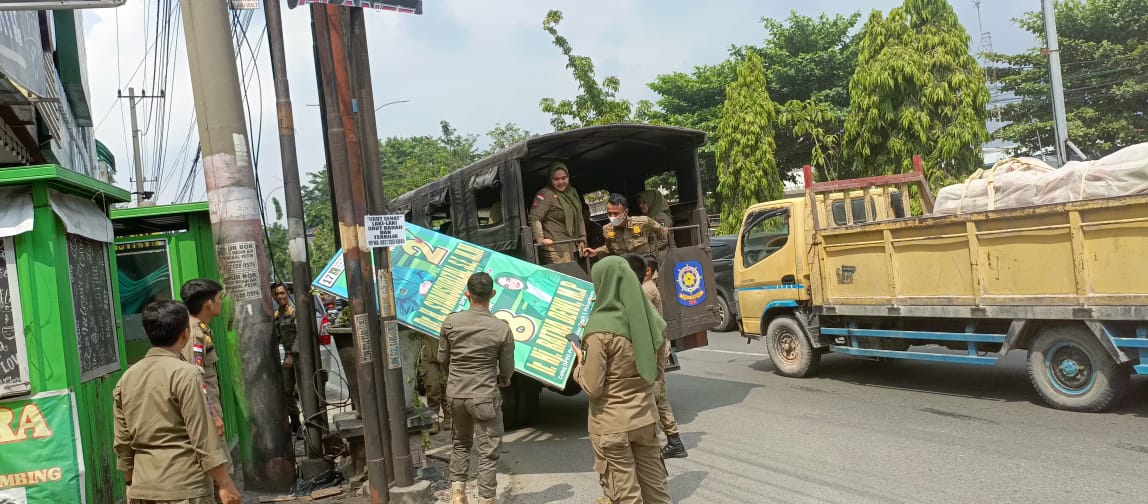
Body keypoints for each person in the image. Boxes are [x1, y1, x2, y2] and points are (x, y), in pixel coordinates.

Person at [114, 300, 242, 504]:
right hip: (185, 488)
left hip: (143, 487)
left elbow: (122, 440)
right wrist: (225, 483)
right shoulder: (186, 374)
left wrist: (129, 483)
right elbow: (203, 436)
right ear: (185, 333)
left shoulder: (127, 378)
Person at [572, 256, 672, 504]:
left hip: (611, 424)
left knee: (625, 496)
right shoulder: (652, 322)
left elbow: (593, 387)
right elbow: (657, 373)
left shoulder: (599, 329)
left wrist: (579, 365)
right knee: (656, 492)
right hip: (646, 419)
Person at [438, 272, 515, 504]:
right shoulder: (501, 328)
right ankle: (486, 499)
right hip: (484, 396)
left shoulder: (450, 322)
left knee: (460, 443)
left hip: (456, 395)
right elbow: (507, 367)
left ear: (467, 294)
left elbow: (442, 358)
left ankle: (458, 493)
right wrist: (504, 379)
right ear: (492, 294)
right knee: (488, 451)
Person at [629, 253, 688, 459]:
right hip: (659, 350)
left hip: (655, 353)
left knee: (653, 398)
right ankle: (674, 441)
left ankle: (653, 445)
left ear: (647, 271)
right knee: (660, 398)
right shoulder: (648, 288)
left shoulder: (646, 290)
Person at [179, 279, 229, 470]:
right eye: (219, 298)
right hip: (206, 417)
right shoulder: (194, 335)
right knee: (221, 471)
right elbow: (196, 379)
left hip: (209, 412)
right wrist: (213, 416)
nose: (220, 302)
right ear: (209, 303)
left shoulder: (201, 330)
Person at [530, 162, 587, 264]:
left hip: (573, 245)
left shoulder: (573, 192)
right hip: (555, 248)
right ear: (550, 179)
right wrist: (540, 239)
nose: (561, 182)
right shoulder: (545, 194)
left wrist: (582, 239)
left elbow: (579, 217)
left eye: (564, 178)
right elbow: (535, 218)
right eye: (556, 179)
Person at [583, 193, 668, 259]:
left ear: (626, 212)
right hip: (625, 270)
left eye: (616, 213)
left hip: (645, 268)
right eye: (609, 213)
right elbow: (609, 247)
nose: (612, 216)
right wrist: (596, 251)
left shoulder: (643, 221)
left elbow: (663, 236)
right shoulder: (607, 229)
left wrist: (651, 251)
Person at [271, 282, 303, 438]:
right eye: (277, 294)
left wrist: (291, 355)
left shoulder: (295, 311)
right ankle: (296, 423)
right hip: (288, 358)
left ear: (287, 293)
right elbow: (276, 336)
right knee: (286, 391)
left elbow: (300, 334)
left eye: (282, 293)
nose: (280, 296)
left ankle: (314, 427)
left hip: (301, 357)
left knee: (306, 392)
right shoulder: (278, 314)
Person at [418, 335, 451, 434]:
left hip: (447, 355)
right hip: (429, 357)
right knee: (433, 387)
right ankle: (433, 420)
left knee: (448, 387)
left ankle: (449, 416)